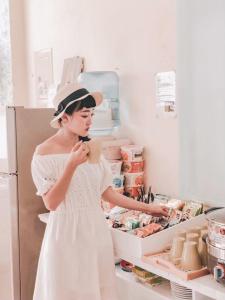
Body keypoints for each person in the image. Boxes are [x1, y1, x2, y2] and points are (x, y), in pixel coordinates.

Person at [31, 83, 168, 300]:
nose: (90, 120)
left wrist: (148, 208)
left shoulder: (91, 147)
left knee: (97, 292)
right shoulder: (43, 153)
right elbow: (51, 203)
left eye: (92, 114)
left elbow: (107, 192)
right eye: (84, 115)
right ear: (64, 117)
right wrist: (71, 165)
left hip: (95, 231)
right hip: (65, 236)